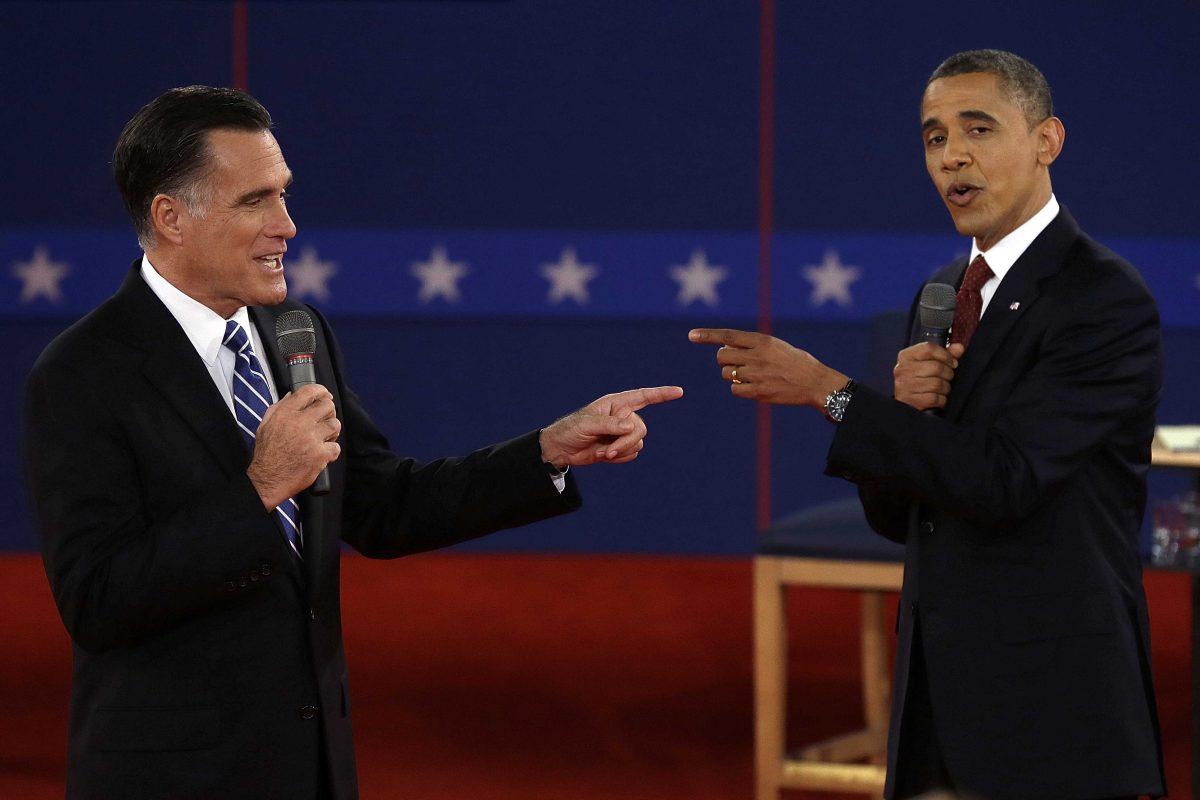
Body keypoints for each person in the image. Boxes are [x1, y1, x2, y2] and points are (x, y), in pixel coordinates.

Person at [23, 86, 682, 800]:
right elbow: (97, 602)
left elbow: (383, 505)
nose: (288, 225)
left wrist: (548, 451)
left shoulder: (294, 335)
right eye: (256, 201)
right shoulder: (84, 373)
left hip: (312, 767)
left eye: (285, 195)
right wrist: (259, 489)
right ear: (171, 218)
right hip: (172, 775)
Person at [691, 50, 1163, 800]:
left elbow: (1004, 485)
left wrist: (831, 392)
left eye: (978, 128)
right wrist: (905, 415)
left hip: (1053, 704)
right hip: (939, 698)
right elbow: (900, 517)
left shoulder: (1101, 298)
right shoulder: (941, 294)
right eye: (934, 137)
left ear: (1048, 141)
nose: (953, 156)